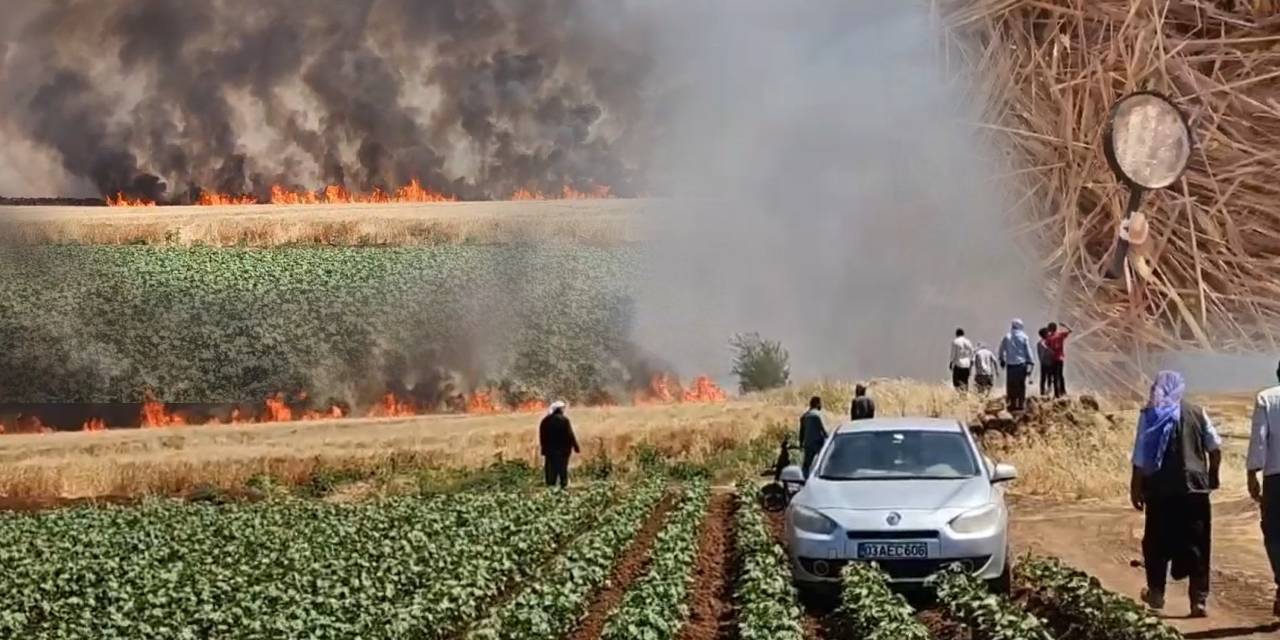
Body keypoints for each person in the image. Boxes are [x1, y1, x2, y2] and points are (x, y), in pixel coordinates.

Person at [1130, 371, 1221, 618]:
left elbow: (1140, 456)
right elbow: (1214, 448)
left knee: (1156, 542)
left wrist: (1135, 487)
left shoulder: (1149, 415)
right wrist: (1212, 475)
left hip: (1160, 491)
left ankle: (1157, 593)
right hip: (1195, 489)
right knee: (1199, 543)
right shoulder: (1197, 412)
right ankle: (1198, 601)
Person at [1247, 361, 1280, 617]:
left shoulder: (1266, 398)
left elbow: (1259, 439)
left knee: (1273, 533)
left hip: (1275, 479)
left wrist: (1252, 473)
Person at [539, 401, 580, 488]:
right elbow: (570, 434)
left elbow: (542, 436)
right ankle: (563, 485)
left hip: (549, 450)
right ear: (560, 410)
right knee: (562, 468)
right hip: (563, 450)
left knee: (550, 469)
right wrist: (576, 446)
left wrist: (543, 449)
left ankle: (550, 486)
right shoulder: (564, 420)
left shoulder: (545, 421)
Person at [998, 319, 1035, 411]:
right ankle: (1021, 404)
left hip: (1010, 366)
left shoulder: (1007, 336)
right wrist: (1031, 361)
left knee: (1011, 385)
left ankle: (1012, 404)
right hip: (1021, 365)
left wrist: (1002, 360)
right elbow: (1028, 350)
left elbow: (1001, 349)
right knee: (1021, 385)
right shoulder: (1024, 337)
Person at [799, 396, 828, 478]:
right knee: (822, 461)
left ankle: (804, 479)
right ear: (817, 404)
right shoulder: (818, 415)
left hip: (808, 443)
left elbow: (801, 432)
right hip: (818, 443)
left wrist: (801, 443)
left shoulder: (804, 416)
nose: (821, 406)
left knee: (807, 464)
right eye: (820, 404)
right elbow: (824, 430)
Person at [1045, 322, 1072, 398]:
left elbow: (1046, 346)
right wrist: (1065, 325)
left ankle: (1056, 393)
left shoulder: (1049, 337)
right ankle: (1063, 391)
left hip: (1053, 359)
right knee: (1060, 375)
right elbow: (1070, 331)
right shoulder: (1060, 335)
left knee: (1054, 376)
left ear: (1050, 329)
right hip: (1060, 358)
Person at [950, 328, 975, 392]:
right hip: (967, 365)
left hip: (958, 364)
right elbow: (972, 352)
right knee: (965, 381)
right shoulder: (968, 341)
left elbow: (953, 353)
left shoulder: (955, 341)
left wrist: (951, 362)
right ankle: (964, 395)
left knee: (956, 382)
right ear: (963, 334)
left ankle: (960, 394)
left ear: (957, 334)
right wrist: (971, 361)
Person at [1037, 327, 1053, 397]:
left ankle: (1043, 392)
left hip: (1043, 362)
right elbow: (1047, 350)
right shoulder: (1043, 342)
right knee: (1048, 377)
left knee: (1043, 378)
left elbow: (1039, 353)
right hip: (1048, 362)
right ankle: (1047, 392)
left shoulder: (1039, 343)